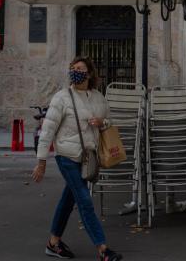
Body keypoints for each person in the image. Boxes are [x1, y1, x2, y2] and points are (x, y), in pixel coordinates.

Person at [32, 56, 123, 260]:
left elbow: (110, 121)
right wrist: (41, 161)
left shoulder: (99, 97)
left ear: (89, 73)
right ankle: (103, 250)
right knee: (84, 201)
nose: (75, 71)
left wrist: (102, 122)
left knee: (68, 199)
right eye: (73, 68)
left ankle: (53, 243)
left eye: (80, 68)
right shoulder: (62, 98)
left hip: (87, 158)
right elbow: (47, 130)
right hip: (67, 156)